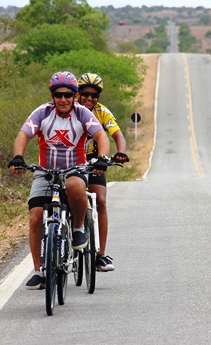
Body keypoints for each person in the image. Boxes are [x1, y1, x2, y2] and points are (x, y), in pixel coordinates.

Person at [8, 71, 111, 290]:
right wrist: (18, 157)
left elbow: (101, 135)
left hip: (75, 169)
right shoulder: (42, 113)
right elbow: (24, 134)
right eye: (58, 95)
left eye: (68, 95)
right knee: (36, 217)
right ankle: (38, 272)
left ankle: (78, 229)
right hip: (45, 171)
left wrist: (102, 157)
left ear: (75, 96)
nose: (63, 99)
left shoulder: (83, 114)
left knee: (75, 185)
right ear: (52, 96)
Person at [77, 73, 129, 272]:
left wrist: (121, 152)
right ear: (77, 93)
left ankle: (100, 255)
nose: (90, 98)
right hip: (71, 161)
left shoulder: (102, 112)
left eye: (94, 95)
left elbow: (118, 135)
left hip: (94, 162)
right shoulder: (69, 110)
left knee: (100, 200)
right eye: (85, 93)